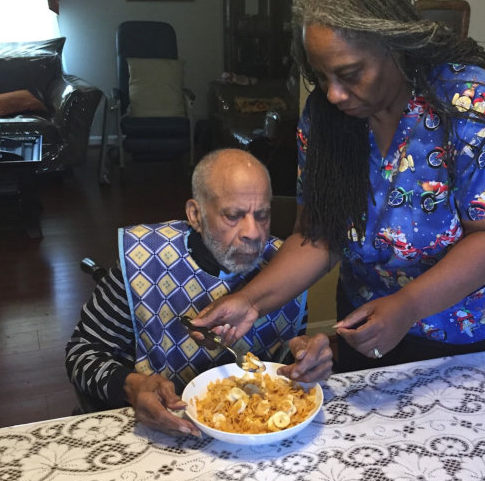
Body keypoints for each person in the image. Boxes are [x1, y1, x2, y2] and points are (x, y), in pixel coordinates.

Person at [190, 0, 485, 372]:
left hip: (471, 331)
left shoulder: (469, 103)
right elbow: (320, 235)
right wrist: (252, 300)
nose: (334, 94)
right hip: (366, 321)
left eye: (350, 74)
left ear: (395, 45)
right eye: (321, 77)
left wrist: (408, 305)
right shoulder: (326, 121)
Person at [65, 148, 332, 435]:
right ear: (195, 214)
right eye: (233, 215)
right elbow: (82, 352)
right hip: (166, 429)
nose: (254, 233)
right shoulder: (142, 259)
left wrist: (304, 359)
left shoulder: (288, 267)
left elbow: (284, 358)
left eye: (263, 215)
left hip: (253, 437)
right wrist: (131, 386)